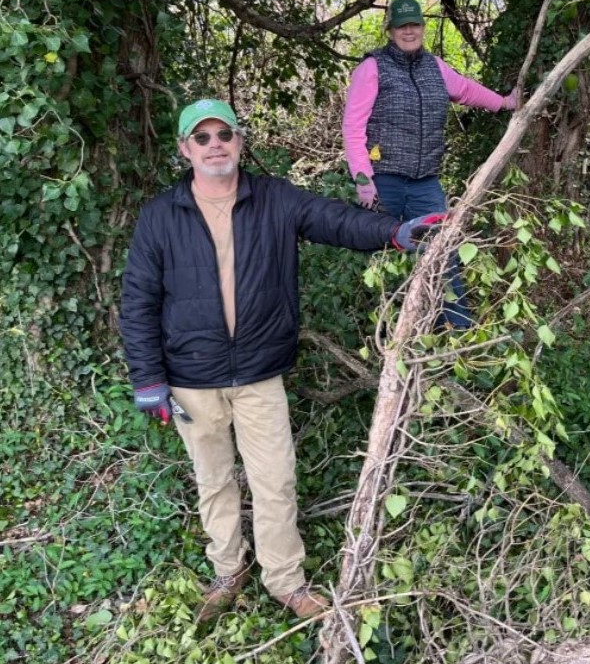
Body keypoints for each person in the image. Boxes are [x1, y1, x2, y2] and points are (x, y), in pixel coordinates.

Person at [119, 98, 445, 621]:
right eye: (201, 138)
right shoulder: (160, 217)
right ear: (185, 150)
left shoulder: (273, 199)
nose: (214, 146)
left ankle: (285, 582)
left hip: (257, 373)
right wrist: (148, 380)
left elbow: (334, 220)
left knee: (275, 479)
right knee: (214, 481)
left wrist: (392, 232)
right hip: (191, 378)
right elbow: (137, 302)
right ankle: (229, 569)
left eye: (223, 134)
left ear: (240, 142)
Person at [342, 0, 518, 328]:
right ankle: (380, 336)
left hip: (425, 184)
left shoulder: (434, 66)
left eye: (414, 25)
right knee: (378, 259)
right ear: (390, 30)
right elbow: (353, 128)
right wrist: (363, 181)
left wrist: (505, 103)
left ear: (422, 27)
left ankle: (454, 335)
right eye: (401, 26)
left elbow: (465, 90)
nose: (409, 31)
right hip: (385, 182)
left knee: (442, 257)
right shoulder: (372, 68)